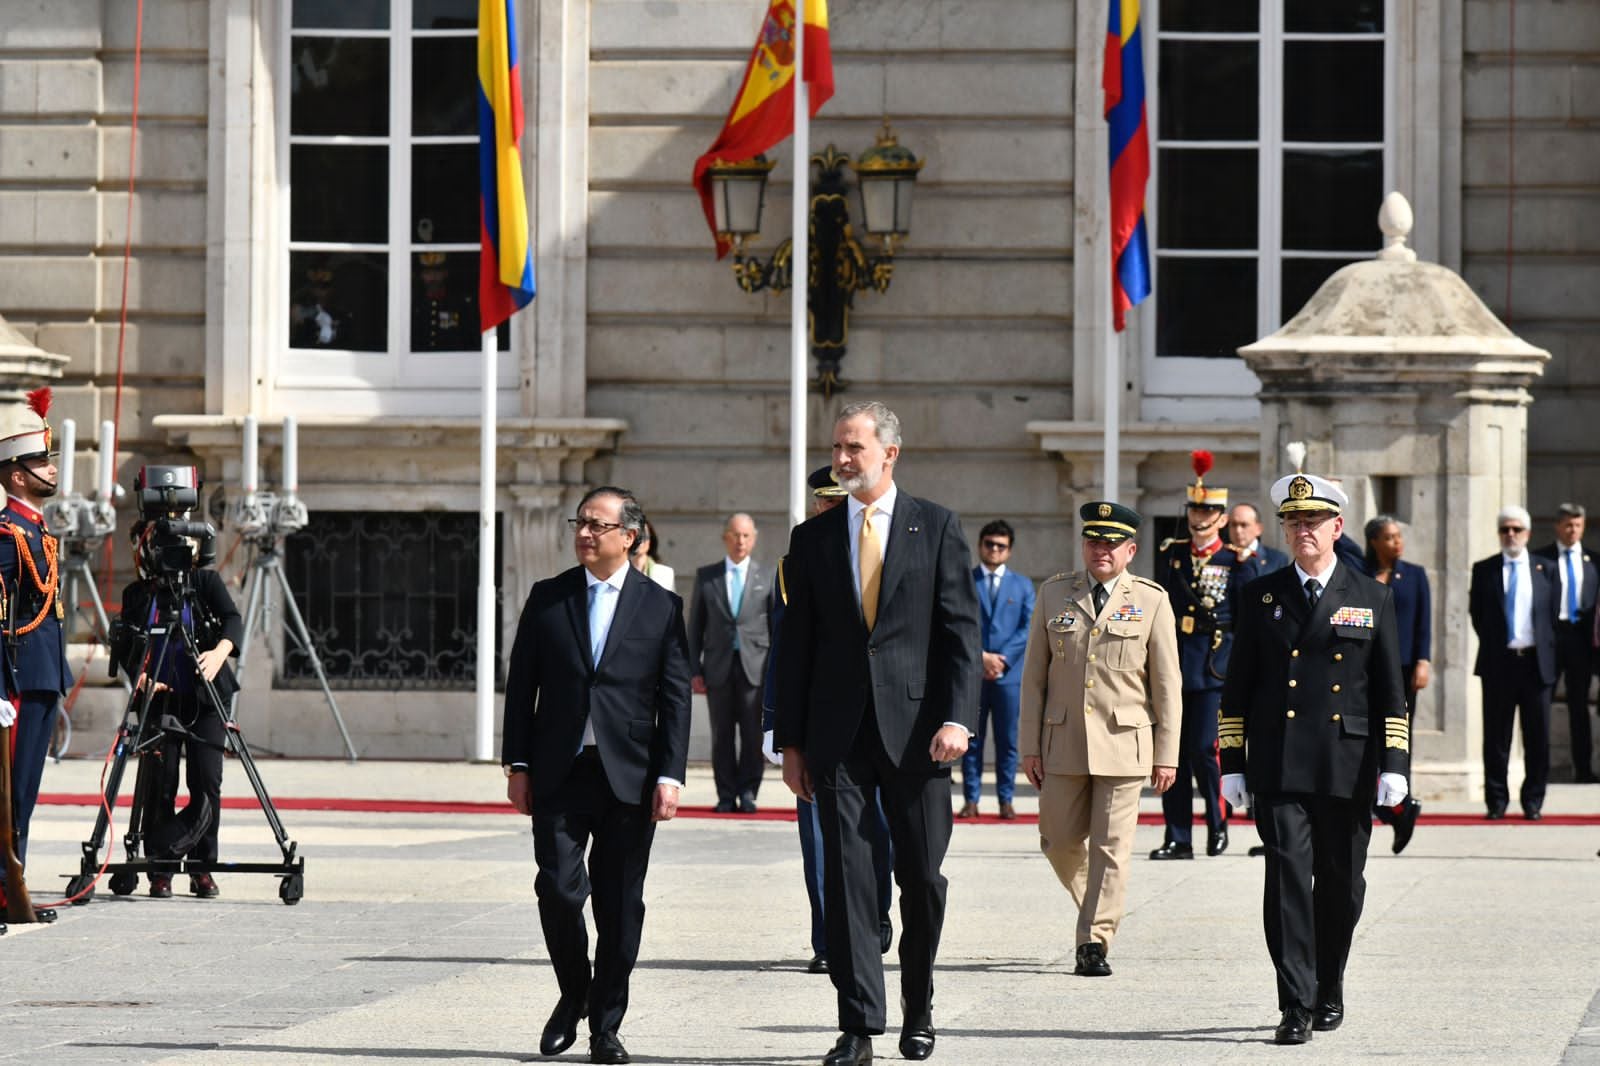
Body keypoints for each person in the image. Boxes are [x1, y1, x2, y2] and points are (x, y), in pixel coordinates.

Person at [775, 400, 981, 1066]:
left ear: (890, 453)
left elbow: (960, 632)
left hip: (920, 736)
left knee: (921, 879)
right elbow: (796, 647)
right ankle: (858, 1025)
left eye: (853, 448)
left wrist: (958, 718)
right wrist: (791, 743)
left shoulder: (936, 526)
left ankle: (918, 1010)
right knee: (849, 881)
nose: (841, 459)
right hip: (837, 737)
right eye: (836, 447)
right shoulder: (813, 539)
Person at [501, 486, 692, 1066]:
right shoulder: (549, 597)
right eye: (579, 523)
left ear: (628, 537)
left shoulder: (660, 606)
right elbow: (522, 686)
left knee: (619, 905)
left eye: (597, 525)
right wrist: (517, 764)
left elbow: (675, 699)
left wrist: (671, 775)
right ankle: (574, 992)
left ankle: (606, 1027)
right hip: (559, 769)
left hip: (630, 777)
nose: (584, 533)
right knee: (558, 889)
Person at [1219, 470, 1409, 1045]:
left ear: (1337, 527)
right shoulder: (1261, 596)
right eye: (1294, 521)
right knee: (1286, 881)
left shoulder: (1370, 595)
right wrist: (1232, 762)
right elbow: (1238, 688)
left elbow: (1390, 692)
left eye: (1314, 521)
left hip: (1346, 763)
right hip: (1280, 761)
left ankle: (1330, 983)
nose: (1303, 529)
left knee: (1342, 885)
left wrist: (1395, 765)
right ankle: (1296, 1003)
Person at [1020, 500, 1179, 978]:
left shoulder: (1151, 600)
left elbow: (1166, 685)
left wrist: (1167, 753)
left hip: (1125, 743)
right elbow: (1034, 678)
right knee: (1057, 840)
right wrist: (1029, 746)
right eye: (1093, 541)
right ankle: (1100, 903)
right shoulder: (1054, 593)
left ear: (1131, 550)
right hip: (1063, 741)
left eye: (1112, 543)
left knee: (1112, 848)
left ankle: (1093, 940)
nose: (1101, 550)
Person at [762, 467, 894, 975]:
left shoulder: (887, 552)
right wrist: (776, 724)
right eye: (824, 503)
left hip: (879, 720)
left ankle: (875, 913)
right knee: (818, 838)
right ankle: (829, 938)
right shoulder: (793, 565)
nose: (830, 511)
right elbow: (784, 651)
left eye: (840, 503)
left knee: (876, 829)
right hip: (819, 721)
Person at [117, 502, 244, 899]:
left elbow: (232, 619)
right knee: (161, 783)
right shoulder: (138, 594)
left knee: (207, 780)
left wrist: (220, 652)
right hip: (160, 700)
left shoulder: (204, 582)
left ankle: (202, 868)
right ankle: (162, 869)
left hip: (206, 697)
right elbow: (128, 645)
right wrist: (139, 675)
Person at [1151, 451, 1243, 859]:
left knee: (1205, 749)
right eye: (1194, 509)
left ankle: (1217, 825)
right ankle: (1178, 837)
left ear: (1221, 518)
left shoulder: (1234, 561)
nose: (1199, 517)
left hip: (1212, 667)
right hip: (1175, 663)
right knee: (1172, 753)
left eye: (1207, 511)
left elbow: (1243, 621)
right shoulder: (1172, 554)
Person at [0, 388, 68, 927]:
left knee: (24, 791)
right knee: (10, 793)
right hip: (18, 676)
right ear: (17, 476)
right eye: (41, 462)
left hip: (42, 673)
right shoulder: (8, 534)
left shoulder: (37, 530)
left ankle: (12, 886)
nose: (52, 469)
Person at [1469, 505, 1558, 820]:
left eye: (1516, 529)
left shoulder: (1546, 569)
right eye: (1505, 529)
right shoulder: (1485, 569)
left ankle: (1533, 800)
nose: (1511, 534)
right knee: (1496, 738)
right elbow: (1478, 615)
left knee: (1538, 737)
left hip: (1536, 664)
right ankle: (1496, 801)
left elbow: (1552, 617)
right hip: (1499, 663)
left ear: (1528, 534)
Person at [688, 513, 772, 813]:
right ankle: (725, 794)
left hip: (755, 667)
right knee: (721, 734)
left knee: (752, 733)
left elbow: (776, 627)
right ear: (725, 537)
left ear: (754, 539)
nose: (740, 541)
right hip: (718, 667)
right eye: (735, 535)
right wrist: (694, 670)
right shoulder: (707, 576)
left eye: (746, 535)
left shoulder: (767, 576)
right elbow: (695, 628)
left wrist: (774, 671)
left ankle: (748, 791)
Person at [959, 519, 1035, 819]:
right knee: (970, 739)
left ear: (1009, 550)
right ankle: (971, 799)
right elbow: (958, 622)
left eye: (1000, 546)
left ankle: (1006, 799)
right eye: (989, 544)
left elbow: (1027, 627)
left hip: (1008, 676)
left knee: (1007, 741)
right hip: (972, 673)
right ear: (980, 546)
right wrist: (980, 657)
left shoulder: (1022, 585)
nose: (994, 550)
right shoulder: (965, 580)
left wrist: (1001, 660)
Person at [1363, 516, 1429, 852]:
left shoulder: (1414, 575)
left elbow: (1423, 623)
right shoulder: (1359, 573)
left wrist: (1423, 661)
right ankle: (1395, 809)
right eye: (1388, 537)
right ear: (1374, 541)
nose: (1396, 542)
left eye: (1398, 536)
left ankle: (1400, 800)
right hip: (1365, 668)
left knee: (1397, 735)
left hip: (1401, 670)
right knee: (1366, 741)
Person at [1534, 503, 1597, 782]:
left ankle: (1583, 769)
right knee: (1541, 704)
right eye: (1568, 525)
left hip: (1580, 640)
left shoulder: (1594, 562)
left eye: (1578, 525)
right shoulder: (1540, 559)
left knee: (1579, 706)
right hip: (1549, 638)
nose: (1573, 530)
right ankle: (1539, 769)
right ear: (1557, 526)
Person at [1229, 502, 1290, 580]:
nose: (1238, 531)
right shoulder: (1221, 556)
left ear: (1258, 529)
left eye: (1244, 525)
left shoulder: (1276, 559)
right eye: (1233, 525)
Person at [631, 519, 675, 590]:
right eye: (636, 537)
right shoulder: (618, 572)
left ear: (650, 541)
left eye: (645, 536)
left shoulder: (666, 573)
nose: (640, 542)